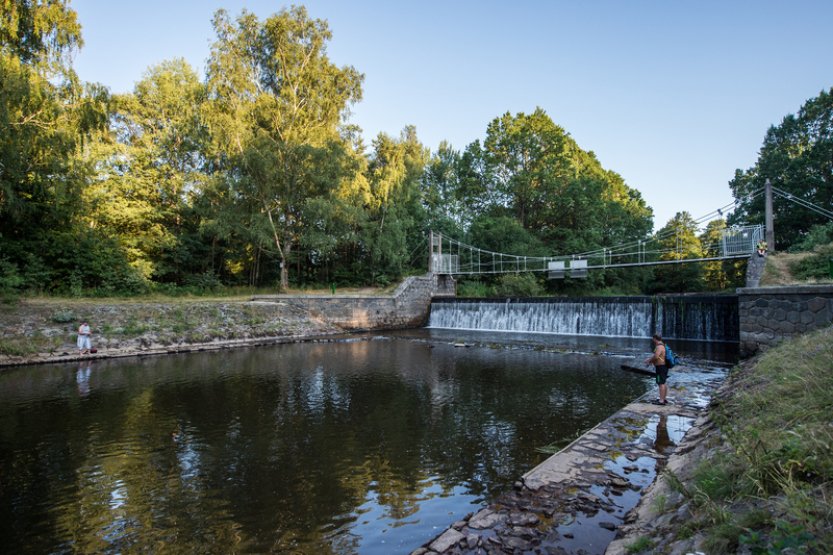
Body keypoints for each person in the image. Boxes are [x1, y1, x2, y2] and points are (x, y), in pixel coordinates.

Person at [644, 333, 668, 405]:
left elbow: (656, 356)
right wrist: (652, 361)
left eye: (653, 338)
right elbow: (657, 356)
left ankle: (661, 401)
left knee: (660, 383)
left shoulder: (659, 346)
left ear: (655, 338)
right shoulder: (662, 345)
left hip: (660, 367)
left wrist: (649, 360)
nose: (652, 340)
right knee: (663, 382)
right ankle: (663, 398)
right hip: (663, 367)